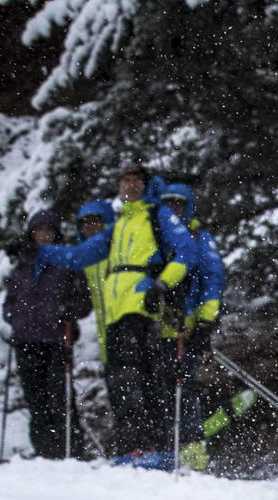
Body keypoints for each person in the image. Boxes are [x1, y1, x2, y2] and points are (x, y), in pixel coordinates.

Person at [36, 162, 197, 458]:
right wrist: (38, 250)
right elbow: (79, 255)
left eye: (136, 180)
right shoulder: (120, 224)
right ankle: (132, 446)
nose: (129, 185)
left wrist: (160, 285)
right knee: (124, 380)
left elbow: (188, 252)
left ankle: (153, 446)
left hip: (142, 306)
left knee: (142, 378)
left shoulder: (156, 214)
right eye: (124, 180)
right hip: (114, 311)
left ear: (146, 185)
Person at [1, 210, 92, 459]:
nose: (44, 235)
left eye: (48, 231)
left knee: (60, 398)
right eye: (39, 230)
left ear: (56, 234)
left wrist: (66, 312)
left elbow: (84, 302)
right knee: (36, 398)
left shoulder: (67, 263)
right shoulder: (22, 266)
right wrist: (14, 317)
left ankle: (70, 449)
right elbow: (9, 301)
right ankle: (44, 450)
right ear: (31, 234)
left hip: (56, 340)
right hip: (26, 339)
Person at [157, 183, 224, 470]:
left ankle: (192, 448)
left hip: (187, 325)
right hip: (158, 325)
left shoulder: (199, 238)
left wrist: (206, 320)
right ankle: (163, 446)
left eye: (179, 204)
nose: (174, 209)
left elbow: (212, 278)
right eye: (168, 204)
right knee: (159, 387)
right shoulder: (159, 237)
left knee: (183, 386)